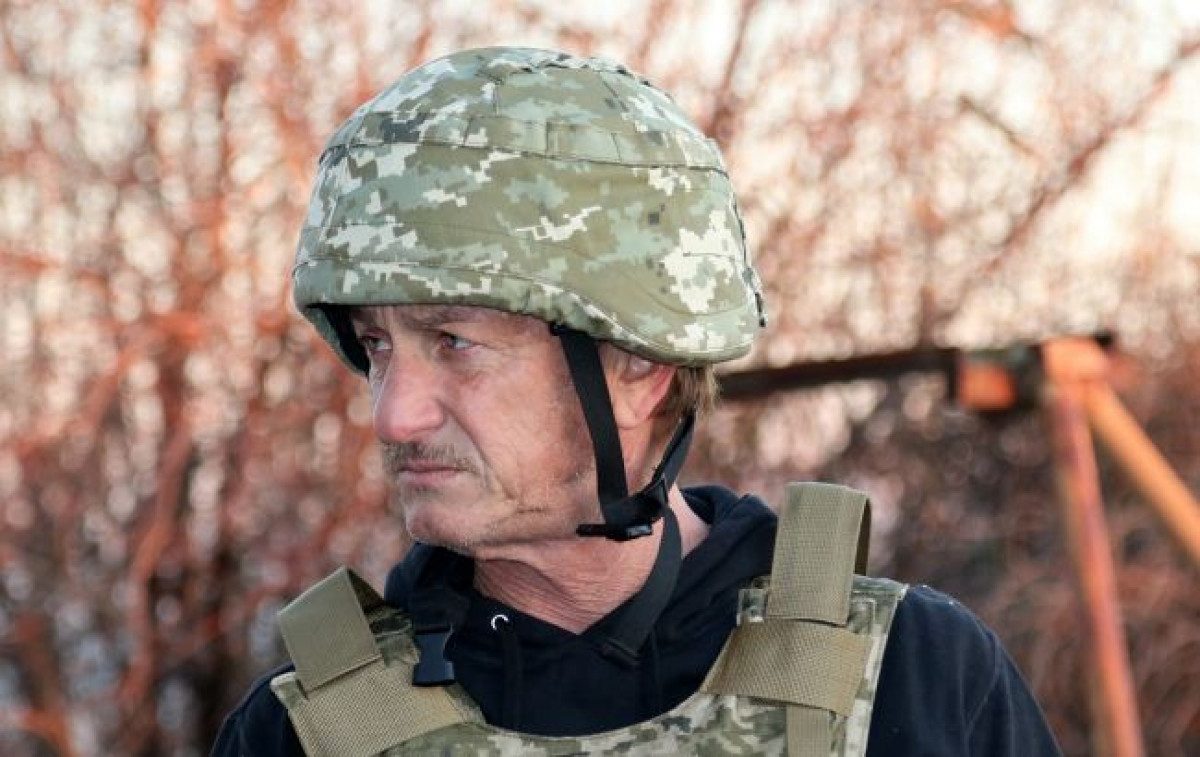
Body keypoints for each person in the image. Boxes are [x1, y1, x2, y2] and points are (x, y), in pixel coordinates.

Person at [213, 47, 1059, 756]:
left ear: (638, 369)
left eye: (454, 343)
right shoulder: (304, 730)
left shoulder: (915, 678)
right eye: (377, 346)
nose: (393, 415)